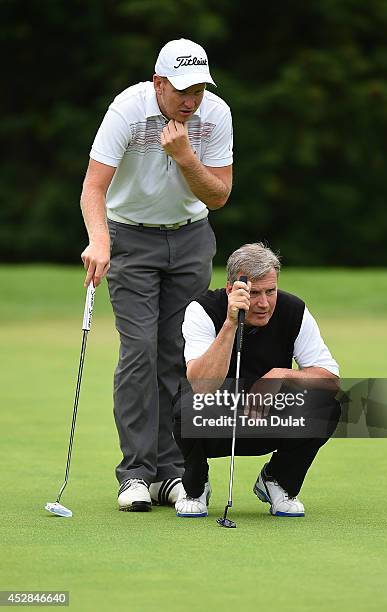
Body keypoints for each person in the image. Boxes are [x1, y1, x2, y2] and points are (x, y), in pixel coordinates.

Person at [80, 38, 233, 511]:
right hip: (130, 238)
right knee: (141, 350)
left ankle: (172, 471)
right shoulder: (127, 110)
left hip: (190, 238)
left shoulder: (216, 115)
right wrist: (100, 241)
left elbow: (219, 196)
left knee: (180, 352)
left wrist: (187, 156)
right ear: (158, 83)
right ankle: (136, 474)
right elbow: (93, 187)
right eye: (183, 91)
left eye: (200, 90)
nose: (192, 101)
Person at [174, 243, 340, 518]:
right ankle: (195, 486)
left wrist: (281, 375)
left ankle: (278, 481)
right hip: (215, 423)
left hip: (268, 421)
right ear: (232, 290)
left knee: (326, 406)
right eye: (254, 293)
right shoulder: (202, 310)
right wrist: (230, 323)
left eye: (270, 291)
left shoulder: (294, 310)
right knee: (185, 407)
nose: (263, 303)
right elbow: (201, 385)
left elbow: (331, 380)